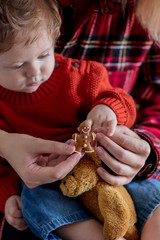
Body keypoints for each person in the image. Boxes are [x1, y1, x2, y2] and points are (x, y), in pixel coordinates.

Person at [0, 0, 136, 240]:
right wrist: (8, 196)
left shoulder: (84, 77)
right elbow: (3, 167)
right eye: (18, 65)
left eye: (43, 55)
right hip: (46, 183)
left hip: (101, 167)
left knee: (152, 192)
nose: (34, 72)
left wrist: (108, 108)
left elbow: (122, 100)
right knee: (33, 201)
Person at [55, 0, 160, 240]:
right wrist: (6, 144)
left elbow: (154, 96)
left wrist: (147, 150)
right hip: (39, 175)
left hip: (120, 171)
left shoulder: (147, 12)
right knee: (40, 203)